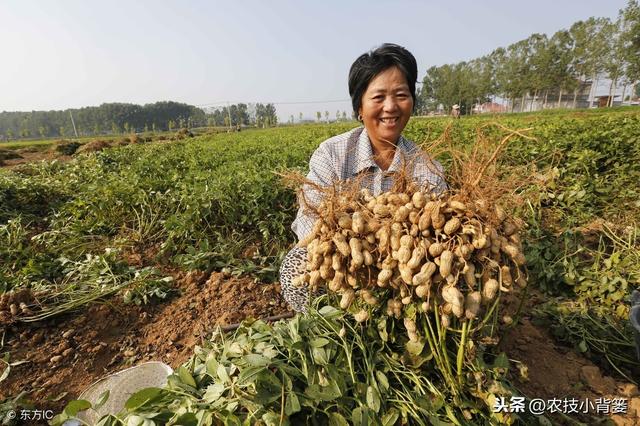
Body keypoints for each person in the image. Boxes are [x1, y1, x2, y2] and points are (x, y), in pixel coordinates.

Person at [279, 43, 447, 312]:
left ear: (412, 102)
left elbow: (436, 234)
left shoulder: (426, 167)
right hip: (343, 266)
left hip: (405, 272)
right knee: (296, 265)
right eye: (378, 97)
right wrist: (351, 249)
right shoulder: (332, 154)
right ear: (359, 107)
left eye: (401, 95)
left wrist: (392, 254)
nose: (390, 107)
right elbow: (309, 220)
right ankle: (328, 324)